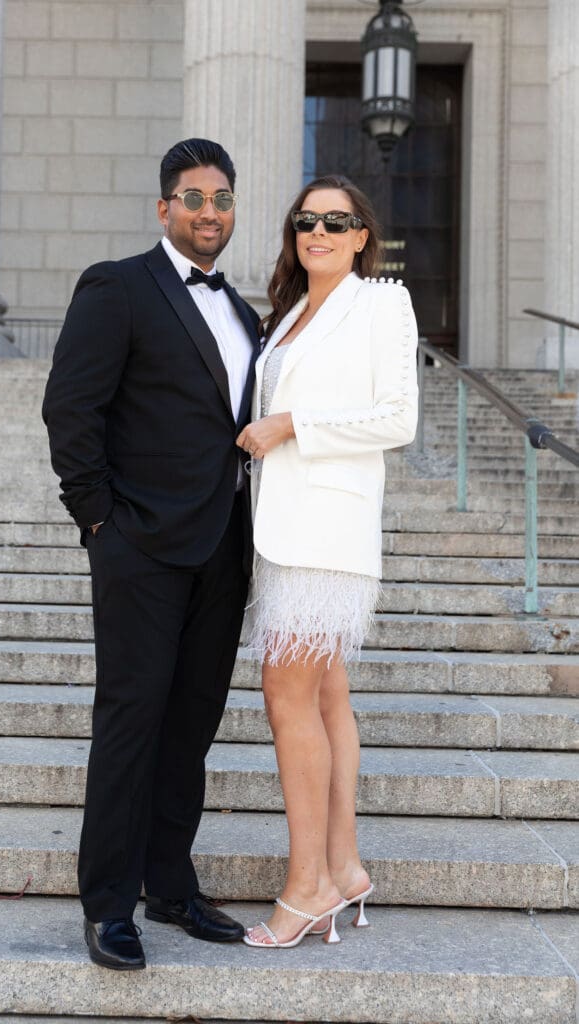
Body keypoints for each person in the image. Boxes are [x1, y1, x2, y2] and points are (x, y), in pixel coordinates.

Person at [43, 138, 261, 970]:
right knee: (131, 721)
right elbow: (71, 407)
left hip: (223, 546)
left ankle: (169, 885)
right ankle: (108, 903)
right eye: (194, 198)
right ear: (164, 207)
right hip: (139, 544)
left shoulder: (241, 312)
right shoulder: (118, 286)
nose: (209, 212)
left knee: (191, 725)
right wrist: (99, 521)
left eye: (222, 199)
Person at [236, 175, 418, 948]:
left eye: (335, 222)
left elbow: (398, 418)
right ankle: (342, 866)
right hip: (277, 527)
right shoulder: (286, 315)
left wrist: (291, 425)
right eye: (305, 220)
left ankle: (306, 885)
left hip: (326, 531)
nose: (317, 231)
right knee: (325, 696)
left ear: (360, 236)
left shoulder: (380, 303)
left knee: (286, 695)